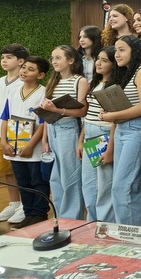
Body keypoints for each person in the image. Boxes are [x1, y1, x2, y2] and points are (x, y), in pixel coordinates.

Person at [100, 35, 141, 226]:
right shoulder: (123, 73)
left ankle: (131, 236)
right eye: (116, 50)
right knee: (125, 187)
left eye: (122, 49)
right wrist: (110, 147)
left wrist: (111, 116)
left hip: (138, 129)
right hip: (122, 128)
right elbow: (118, 113)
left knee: (122, 187)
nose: (117, 54)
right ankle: (133, 232)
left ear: (135, 51)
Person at [39, 45, 89, 220]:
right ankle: (59, 218)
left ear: (71, 60)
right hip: (52, 129)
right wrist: (44, 139)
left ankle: (71, 219)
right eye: (53, 58)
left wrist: (58, 110)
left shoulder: (80, 81)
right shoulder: (53, 81)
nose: (54, 62)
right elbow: (46, 113)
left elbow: (82, 111)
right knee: (56, 178)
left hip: (69, 129)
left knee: (71, 178)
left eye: (58, 58)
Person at [0, 56, 49, 229]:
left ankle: (40, 214)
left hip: (33, 149)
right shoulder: (13, 91)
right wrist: (4, 142)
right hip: (14, 147)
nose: (24, 71)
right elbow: (5, 117)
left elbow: (43, 123)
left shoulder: (43, 93)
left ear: (41, 75)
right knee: (23, 182)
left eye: (30, 69)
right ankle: (28, 214)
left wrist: (30, 145)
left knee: (38, 182)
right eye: (24, 67)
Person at [78, 46, 117, 223]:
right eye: (98, 59)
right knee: (89, 185)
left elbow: (116, 120)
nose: (99, 63)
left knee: (104, 186)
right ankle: (92, 223)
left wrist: (110, 148)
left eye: (104, 60)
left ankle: (105, 225)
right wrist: (81, 141)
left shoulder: (116, 85)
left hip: (105, 133)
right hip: (89, 133)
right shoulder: (95, 82)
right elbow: (88, 116)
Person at [0, 43, 29, 224]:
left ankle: (25, 205)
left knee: (20, 169)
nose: (4, 61)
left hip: (18, 131)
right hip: (1, 130)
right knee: (6, 170)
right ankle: (14, 203)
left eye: (9, 57)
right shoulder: (0, 81)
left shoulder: (23, 82)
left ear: (20, 61)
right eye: (2, 58)